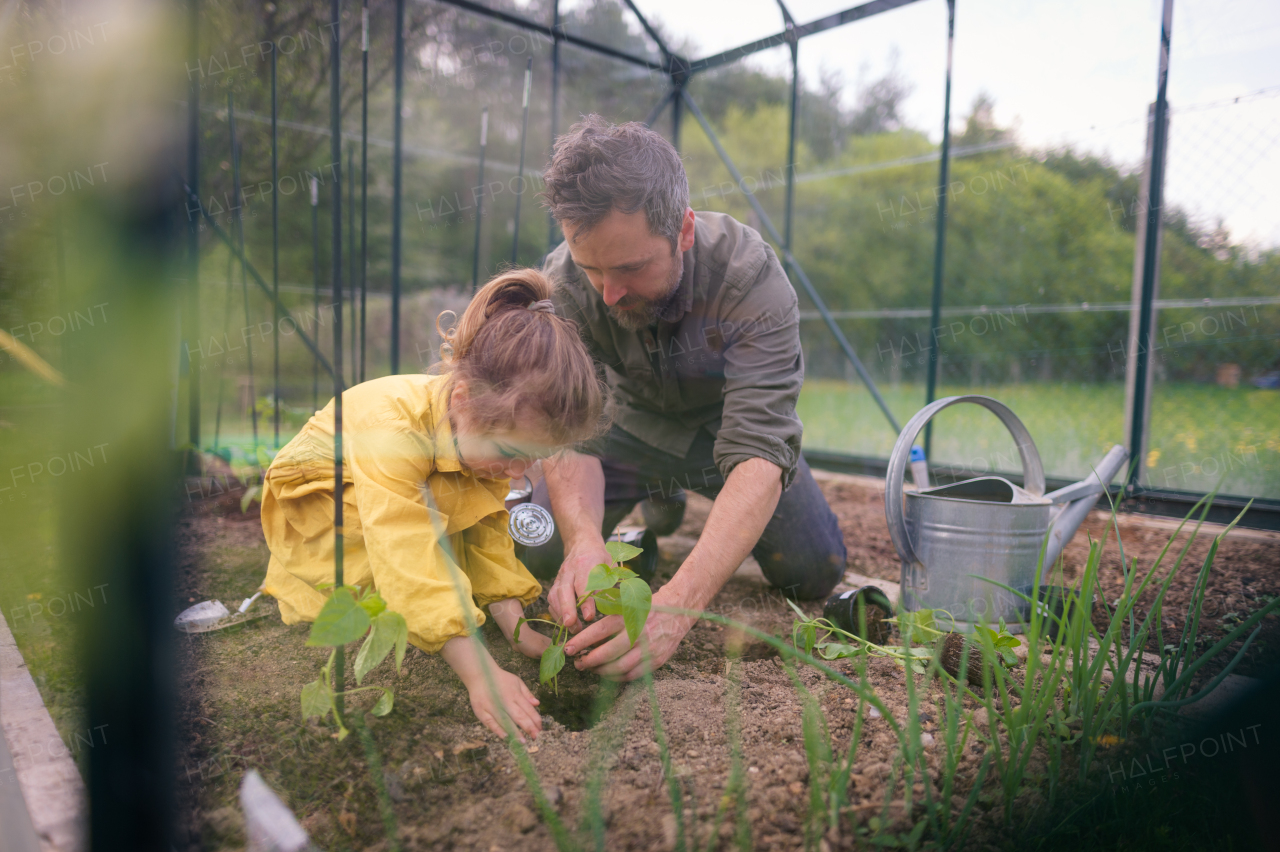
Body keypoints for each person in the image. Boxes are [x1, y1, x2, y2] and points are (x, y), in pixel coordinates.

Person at [523, 115, 848, 681]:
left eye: (630, 268)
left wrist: (674, 606)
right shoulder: (564, 284)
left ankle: (673, 498)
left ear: (684, 231)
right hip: (621, 434)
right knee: (538, 550)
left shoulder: (750, 280)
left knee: (813, 570)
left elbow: (758, 451)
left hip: (724, 441)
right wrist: (582, 541)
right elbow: (569, 430)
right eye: (592, 268)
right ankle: (656, 502)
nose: (610, 291)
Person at [259, 269, 607, 743]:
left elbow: (484, 526)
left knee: (464, 501)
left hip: (400, 499)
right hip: (317, 503)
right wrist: (479, 674)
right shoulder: (392, 430)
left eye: (534, 458)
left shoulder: (471, 433)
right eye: (509, 453)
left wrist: (514, 626)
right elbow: (406, 544)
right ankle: (411, 613)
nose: (517, 472)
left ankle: (442, 612)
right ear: (463, 399)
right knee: (420, 538)